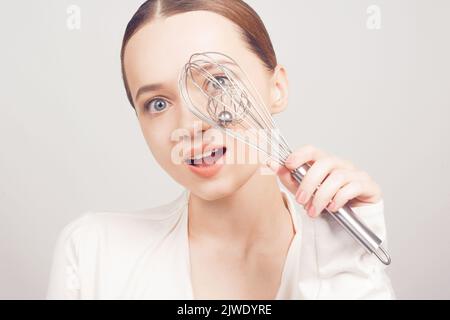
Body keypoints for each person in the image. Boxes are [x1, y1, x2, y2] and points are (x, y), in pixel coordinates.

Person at [47, 0, 395, 299]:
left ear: (277, 88)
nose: (190, 123)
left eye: (219, 81)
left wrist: (346, 264)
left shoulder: (342, 250)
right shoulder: (93, 252)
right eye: (157, 103)